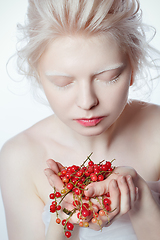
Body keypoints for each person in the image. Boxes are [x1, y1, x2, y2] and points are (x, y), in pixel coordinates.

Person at [0, 0, 160, 240]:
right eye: (63, 83)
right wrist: (63, 218)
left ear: (133, 67)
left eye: (108, 77)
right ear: (38, 76)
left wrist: (140, 200)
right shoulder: (19, 157)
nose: (87, 102)